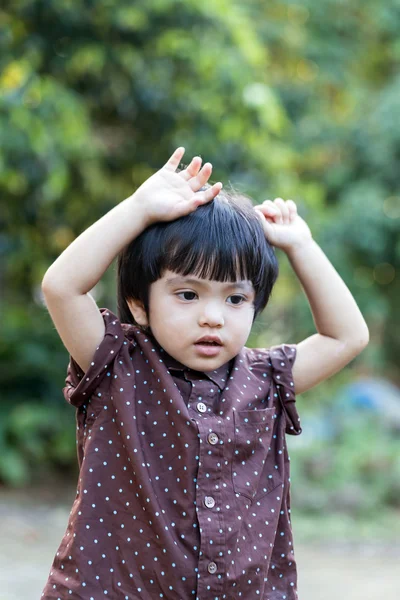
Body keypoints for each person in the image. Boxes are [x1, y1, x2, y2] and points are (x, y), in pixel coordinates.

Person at [40, 147, 369, 600]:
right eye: (188, 294)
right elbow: (61, 287)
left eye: (235, 299)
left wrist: (301, 245)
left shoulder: (266, 379)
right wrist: (138, 209)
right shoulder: (117, 362)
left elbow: (346, 336)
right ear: (140, 302)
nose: (212, 317)